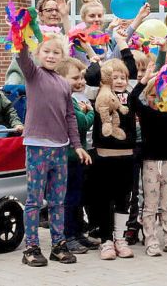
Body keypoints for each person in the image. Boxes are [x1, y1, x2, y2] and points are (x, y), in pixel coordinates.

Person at [17, 33, 91, 267]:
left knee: (58, 201)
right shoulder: (33, 74)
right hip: (37, 146)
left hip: (60, 149)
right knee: (34, 200)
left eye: (56, 52)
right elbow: (22, 57)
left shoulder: (63, 83)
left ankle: (58, 245)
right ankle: (31, 247)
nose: (50, 55)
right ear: (38, 54)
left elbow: (70, 116)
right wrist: (20, 35)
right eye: (46, 51)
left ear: (63, 56)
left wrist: (77, 145)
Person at [129, 69, 167, 256]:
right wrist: (144, 81)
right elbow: (132, 99)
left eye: (160, 94)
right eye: (152, 95)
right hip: (150, 161)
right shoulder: (144, 112)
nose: (156, 99)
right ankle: (150, 238)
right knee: (150, 203)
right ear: (147, 96)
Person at [91, 54, 139, 259]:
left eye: (122, 77)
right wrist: (95, 59)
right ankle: (106, 241)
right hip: (103, 156)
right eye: (114, 77)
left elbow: (135, 72)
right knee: (103, 199)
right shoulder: (98, 95)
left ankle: (120, 238)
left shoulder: (131, 97)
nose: (119, 81)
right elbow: (91, 74)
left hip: (127, 156)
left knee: (123, 199)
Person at [54, 57, 97, 254]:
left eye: (81, 78)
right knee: (69, 198)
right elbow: (81, 123)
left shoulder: (73, 98)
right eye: (75, 78)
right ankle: (68, 235)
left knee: (78, 197)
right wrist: (90, 113)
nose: (80, 81)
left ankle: (78, 233)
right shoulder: (66, 100)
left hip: (77, 156)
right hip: (68, 157)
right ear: (61, 79)